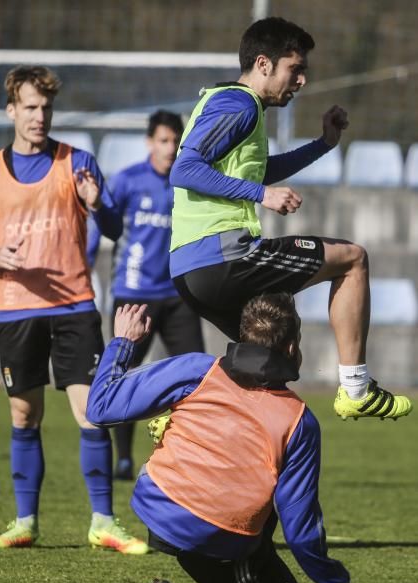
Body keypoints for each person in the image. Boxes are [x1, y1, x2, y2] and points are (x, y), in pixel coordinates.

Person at [86, 297, 392, 583]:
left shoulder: (197, 369)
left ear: (243, 336)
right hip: (217, 539)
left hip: (156, 507)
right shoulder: (299, 421)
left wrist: (123, 342)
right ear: (292, 348)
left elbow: (101, 408)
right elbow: (300, 527)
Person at [168, 16, 412, 421]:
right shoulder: (238, 104)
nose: (301, 81)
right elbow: (185, 169)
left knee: (266, 362)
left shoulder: (236, 105)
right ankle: (356, 388)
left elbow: (256, 171)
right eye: (294, 69)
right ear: (264, 64)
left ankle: (179, 411)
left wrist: (323, 145)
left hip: (193, 267)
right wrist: (261, 196)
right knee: (352, 259)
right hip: (221, 258)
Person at [0, 65, 147, 554]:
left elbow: (111, 228)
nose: (39, 116)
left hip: (73, 307)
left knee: (93, 415)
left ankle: (103, 522)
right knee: (25, 416)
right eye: (29, 107)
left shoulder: (78, 163)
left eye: (45, 108)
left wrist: (96, 203)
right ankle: (26, 522)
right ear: (11, 110)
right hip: (17, 311)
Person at [87, 110, 204, 480]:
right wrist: (86, 266)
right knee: (124, 376)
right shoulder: (127, 182)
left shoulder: (189, 182)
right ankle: (123, 458)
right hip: (134, 295)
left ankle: (192, 457)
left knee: (197, 378)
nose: (170, 149)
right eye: (164, 141)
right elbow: (101, 227)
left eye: (175, 141)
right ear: (150, 142)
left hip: (179, 295)